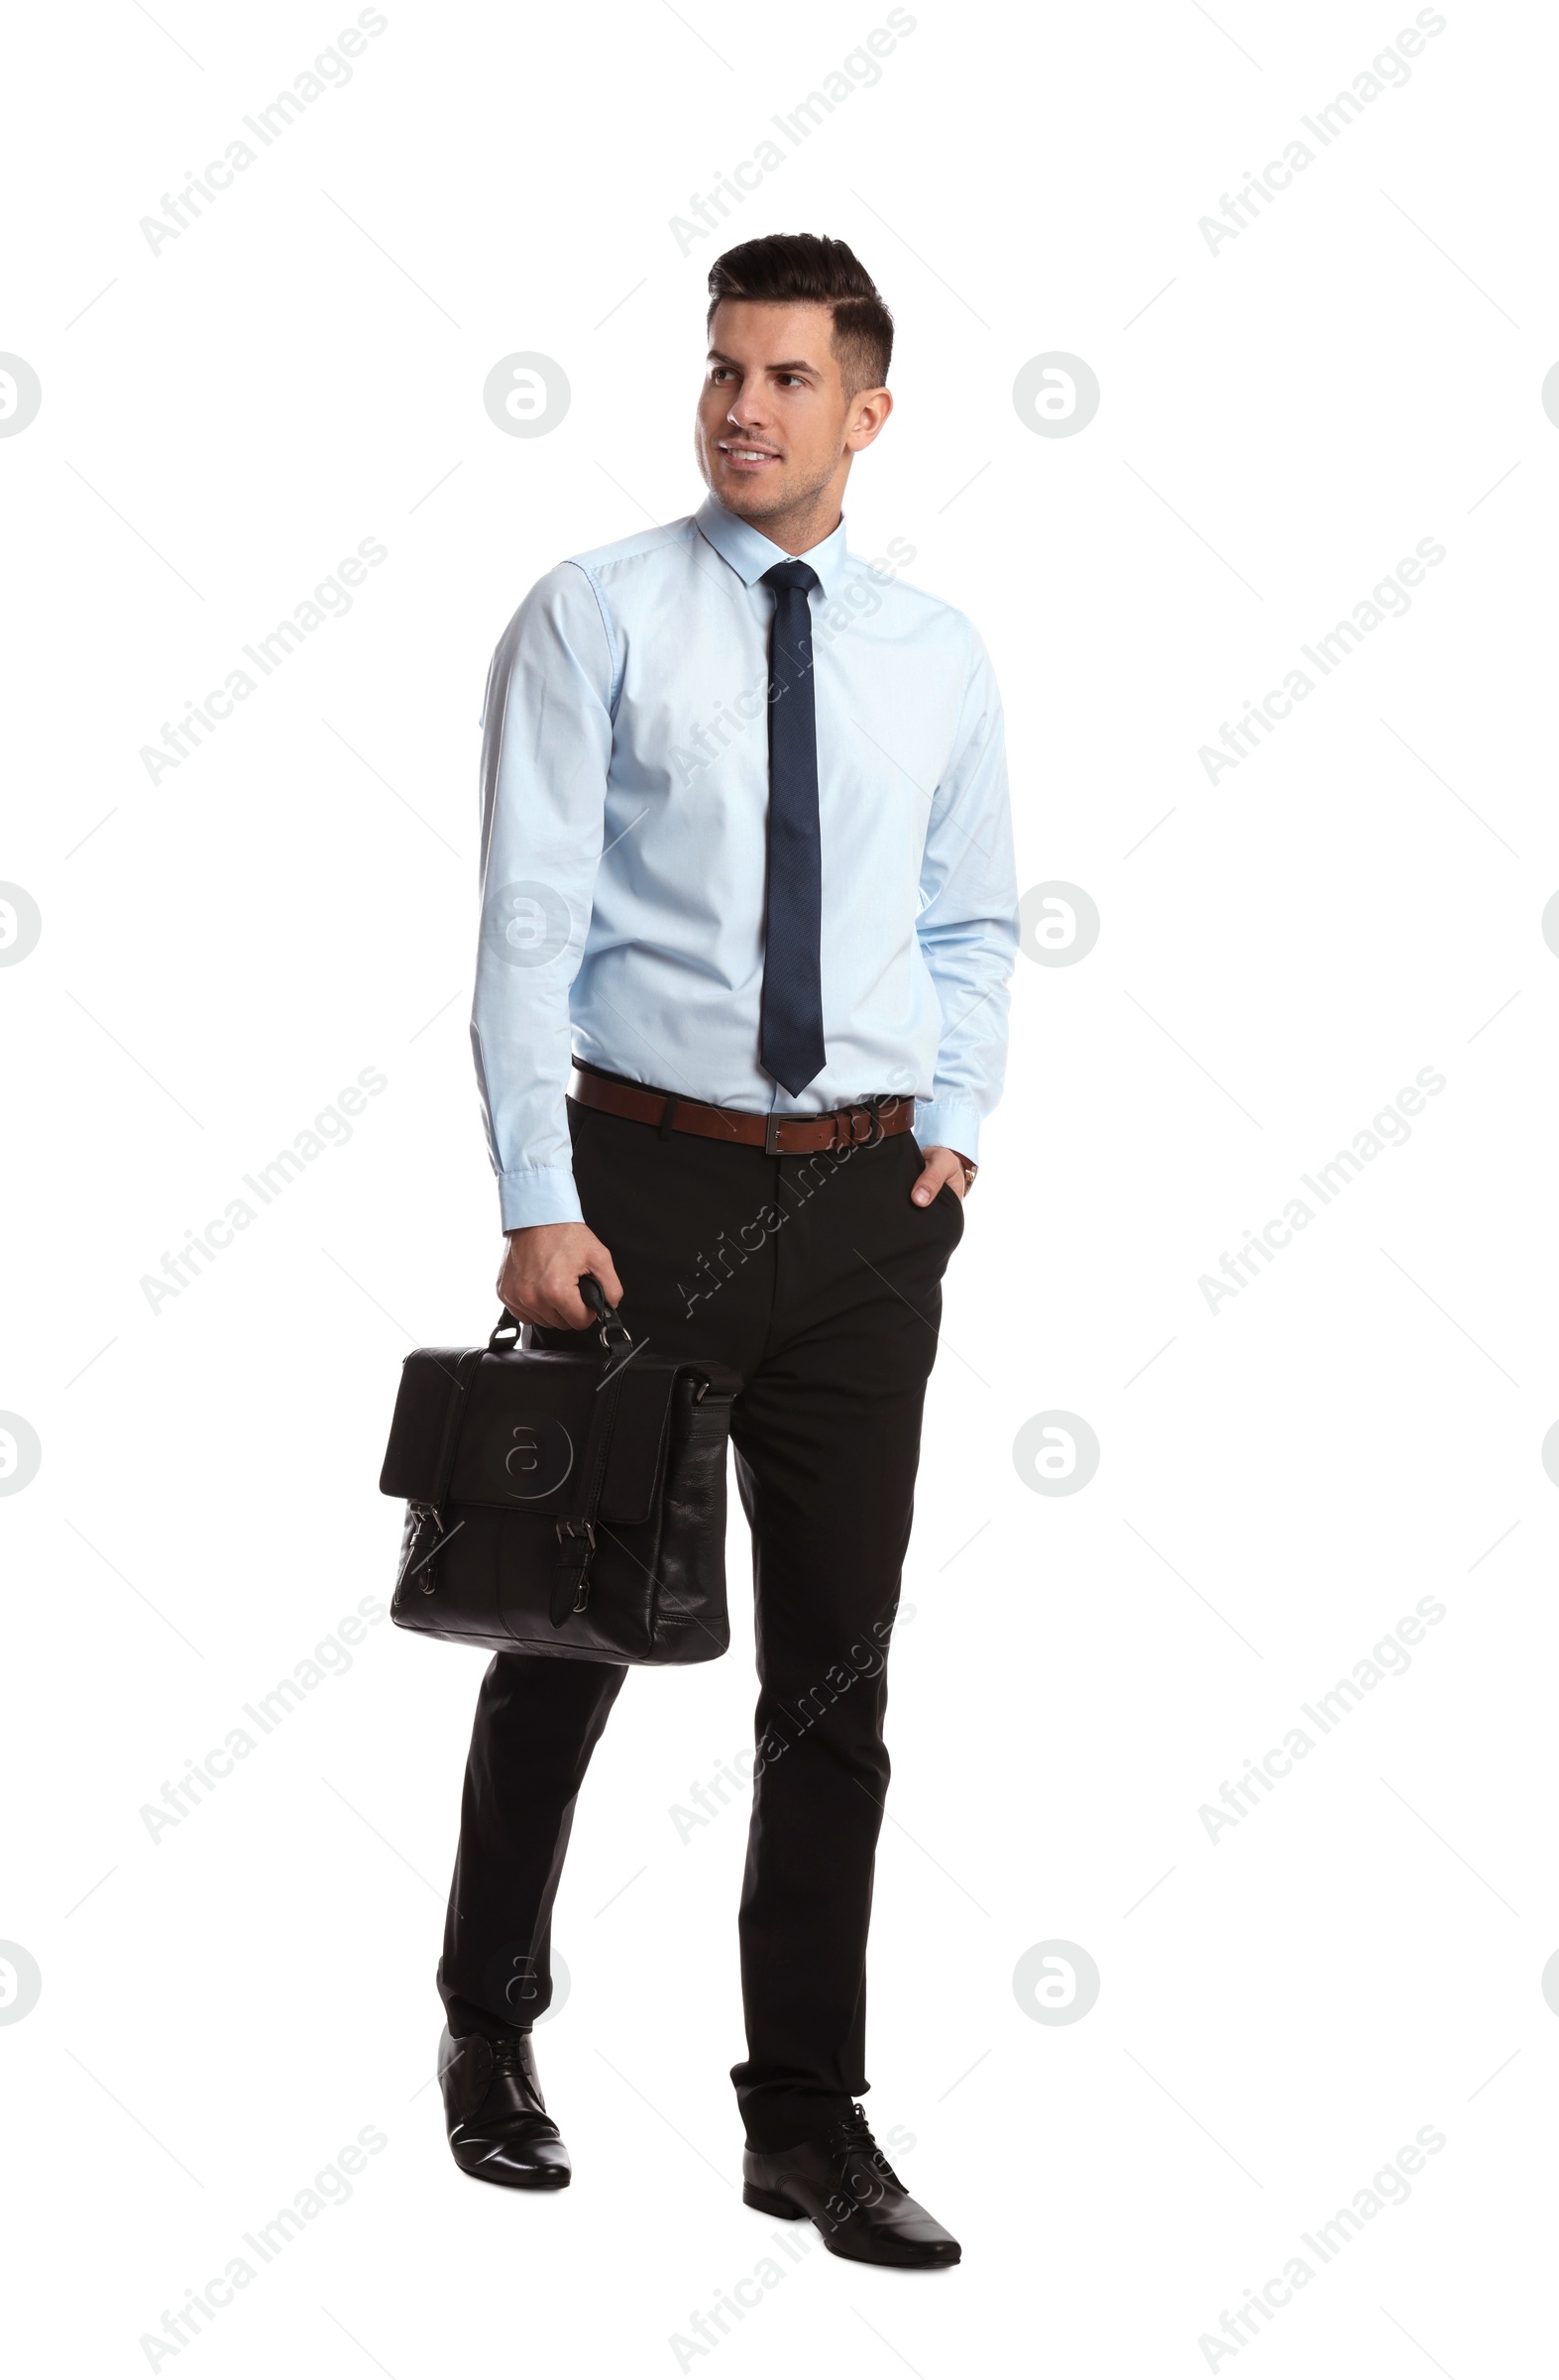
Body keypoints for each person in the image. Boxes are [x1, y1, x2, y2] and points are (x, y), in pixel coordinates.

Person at [437, 231, 1017, 2268]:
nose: (737, 406)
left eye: (782, 376)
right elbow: (525, 920)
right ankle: (487, 2025)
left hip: (865, 1215)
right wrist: (534, 1194)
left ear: (866, 410)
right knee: (566, 1636)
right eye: (717, 369)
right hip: (642, 1192)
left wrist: (949, 1129)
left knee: (831, 1687)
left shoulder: (931, 654)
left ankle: (804, 2117)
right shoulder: (595, 617)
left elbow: (966, 922)